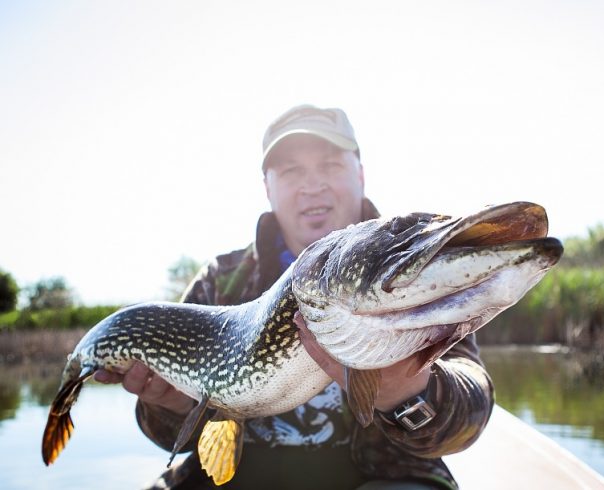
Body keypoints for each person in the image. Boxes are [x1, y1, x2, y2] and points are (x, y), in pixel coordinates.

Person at [95, 105, 494, 489]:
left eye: (331, 165)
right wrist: (172, 404)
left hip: (385, 475)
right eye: (291, 170)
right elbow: (169, 440)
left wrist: (407, 394)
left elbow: (469, 415)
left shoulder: (408, 269)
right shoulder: (220, 282)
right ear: (267, 188)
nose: (312, 185)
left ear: (361, 175)